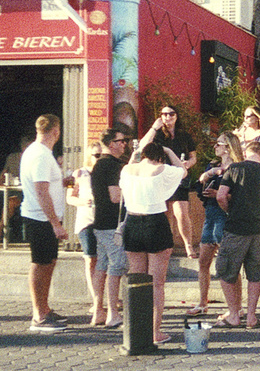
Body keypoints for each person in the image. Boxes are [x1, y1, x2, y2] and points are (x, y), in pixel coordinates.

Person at [119, 142, 187, 344]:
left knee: (137, 281)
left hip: (132, 222)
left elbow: (131, 167)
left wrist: (136, 153)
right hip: (155, 222)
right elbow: (183, 171)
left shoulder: (127, 169)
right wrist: (169, 150)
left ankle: (136, 329)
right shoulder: (162, 169)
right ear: (160, 156)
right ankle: (155, 332)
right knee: (157, 283)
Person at [214, 140, 260, 329]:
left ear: (246, 153)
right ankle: (251, 317)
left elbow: (221, 195)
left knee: (226, 271)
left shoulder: (234, 168)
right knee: (255, 275)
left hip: (236, 227)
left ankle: (233, 314)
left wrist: (229, 210)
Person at [20, 115, 70, 333]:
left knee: (48, 263)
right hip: (40, 219)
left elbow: (46, 186)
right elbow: (41, 191)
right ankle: (39, 315)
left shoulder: (37, 152)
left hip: (43, 218)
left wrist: (63, 182)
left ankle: (44, 309)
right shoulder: (40, 155)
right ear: (56, 131)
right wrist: (55, 224)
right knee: (41, 264)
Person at [189, 133, 244, 317]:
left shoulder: (237, 168)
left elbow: (241, 195)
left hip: (226, 216)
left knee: (230, 264)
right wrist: (206, 177)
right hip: (211, 213)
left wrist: (221, 195)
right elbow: (197, 187)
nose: (215, 147)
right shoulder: (212, 166)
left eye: (218, 144)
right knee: (204, 260)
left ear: (228, 147)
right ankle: (203, 302)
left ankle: (236, 307)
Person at [134, 105, 199, 259]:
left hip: (178, 176)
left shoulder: (184, 136)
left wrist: (187, 165)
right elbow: (142, 147)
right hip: (161, 176)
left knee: (181, 212)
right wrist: (153, 128)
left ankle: (188, 245)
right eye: (164, 114)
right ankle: (166, 244)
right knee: (165, 213)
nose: (167, 117)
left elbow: (193, 157)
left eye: (171, 114)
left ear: (177, 116)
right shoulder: (157, 135)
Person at [90, 128, 129, 329]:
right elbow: (115, 197)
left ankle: (98, 310)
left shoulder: (99, 164)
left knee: (102, 265)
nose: (125, 144)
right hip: (111, 224)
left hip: (101, 222)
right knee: (118, 264)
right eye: (121, 141)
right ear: (111, 144)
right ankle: (113, 313)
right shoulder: (112, 165)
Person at [66, 141, 103, 325]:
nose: (98, 158)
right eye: (96, 155)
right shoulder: (80, 173)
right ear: (89, 155)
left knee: (106, 261)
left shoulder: (108, 172)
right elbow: (69, 198)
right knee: (90, 259)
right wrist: (83, 202)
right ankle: (96, 300)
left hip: (104, 221)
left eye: (101, 155)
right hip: (86, 221)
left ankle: (102, 300)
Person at [0, 134, 32, 243]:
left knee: (11, 202)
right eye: (26, 147)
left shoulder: (35, 159)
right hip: (8, 188)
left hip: (24, 192)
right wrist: (1, 184)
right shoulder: (12, 157)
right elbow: (4, 173)